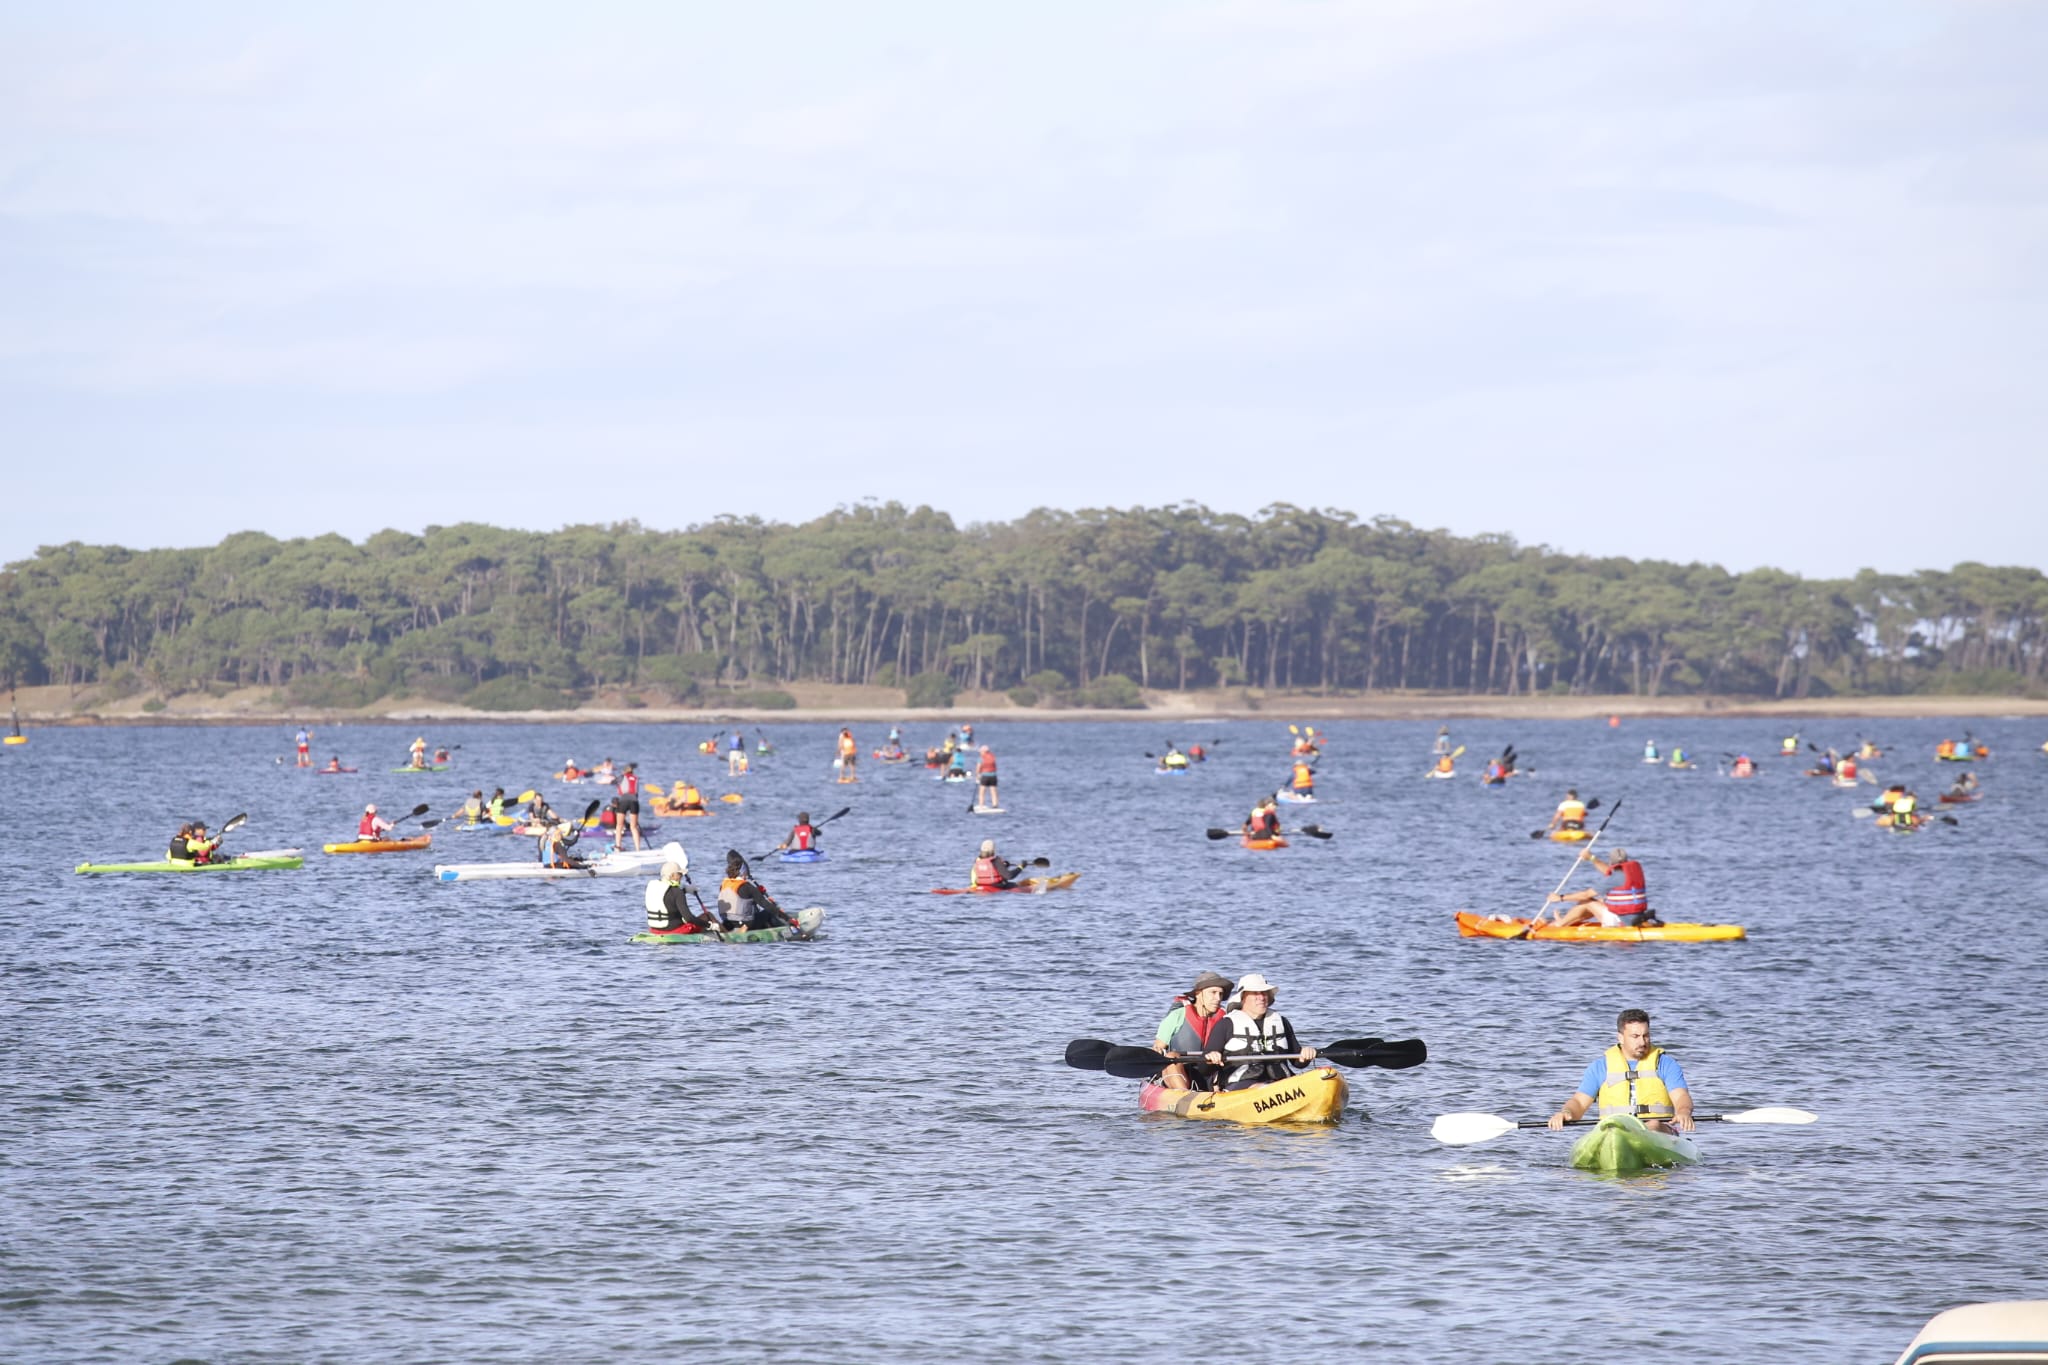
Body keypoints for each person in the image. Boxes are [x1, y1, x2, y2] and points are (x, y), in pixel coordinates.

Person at [1547, 1008, 1694, 1136]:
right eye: (1635, 1037)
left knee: (1652, 1125)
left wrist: (1683, 1112)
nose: (1642, 1042)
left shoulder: (1665, 1064)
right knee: (1612, 1130)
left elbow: (1681, 1096)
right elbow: (1579, 1102)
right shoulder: (1600, 1066)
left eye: (1646, 1035)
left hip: (1660, 1130)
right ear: (1621, 1037)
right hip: (1615, 1130)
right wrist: (1566, 1113)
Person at [1205, 973, 1318, 1090]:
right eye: (1255, 993)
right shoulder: (1226, 1024)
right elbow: (1204, 1068)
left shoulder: (1281, 1022)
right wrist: (1211, 1057)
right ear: (1243, 998)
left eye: (1264, 993)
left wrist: (1305, 1055)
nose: (1261, 997)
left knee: (1324, 1077)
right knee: (1265, 1088)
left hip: (1280, 1082)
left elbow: (1297, 1062)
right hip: (1241, 1085)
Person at [1151, 972, 1233, 1091]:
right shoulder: (1177, 1016)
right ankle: (1185, 1096)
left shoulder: (1226, 1018)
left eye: (1220, 994)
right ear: (1198, 993)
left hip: (1211, 1072)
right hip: (1180, 1071)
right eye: (1213, 993)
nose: (1218, 998)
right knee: (1171, 1056)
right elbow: (1158, 1048)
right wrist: (1157, 1052)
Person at [1546, 847, 1658, 929]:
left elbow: (1586, 895)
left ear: (1611, 862)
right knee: (1600, 901)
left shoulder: (1614, 878)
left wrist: (1560, 898)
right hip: (1636, 916)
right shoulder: (1632, 873)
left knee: (1586, 902)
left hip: (1621, 921)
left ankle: (1560, 924)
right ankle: (1569, 921)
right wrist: (1591, 858)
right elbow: (1608, 871)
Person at [717, 851, 795, 932]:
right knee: (768, 912)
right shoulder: (747, 886)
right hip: (745, 923)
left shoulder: (723, 884)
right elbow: (766, 905)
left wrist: (757, 893)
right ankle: (787, 929)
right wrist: (787, 918)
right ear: (743, 872)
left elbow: (739, 901)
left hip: (728, 922)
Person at [644, 861, 719, 935]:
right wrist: (710, 925)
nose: (681, 876)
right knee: (707, 915)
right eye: (679, 874)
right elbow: (689, 918)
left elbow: (668, 897)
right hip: (675, 930)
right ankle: (724, 933)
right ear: (672, 875)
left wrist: (685, 890)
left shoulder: (653, 887)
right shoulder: (677, 892)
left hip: (655, 930)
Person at [612, 763, 643, 850]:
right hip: (634, 802)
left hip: (624, 801)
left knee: (619, 826)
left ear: (624, 771)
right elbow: (636, 793)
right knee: (633, 827)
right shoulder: (636, 778)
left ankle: (618, 846)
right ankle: (638, 849)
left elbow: (613, 782)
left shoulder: (622, 777)